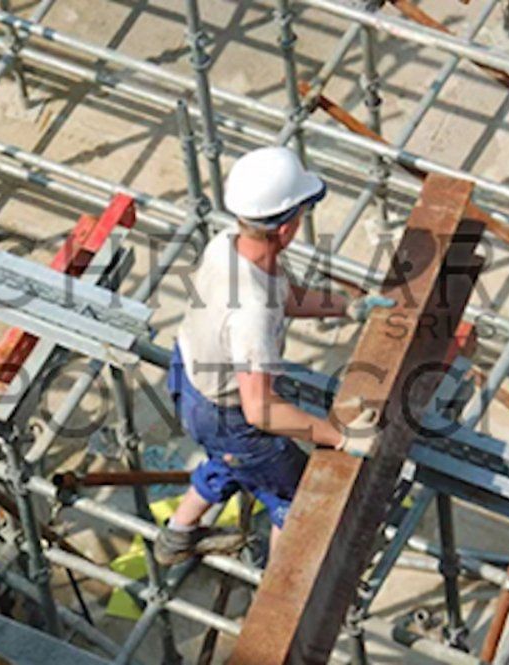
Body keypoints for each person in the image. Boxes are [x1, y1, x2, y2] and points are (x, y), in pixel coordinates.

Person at [155, 146, 394, 566]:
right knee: (294, 491)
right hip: (229, 412)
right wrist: (340, 437)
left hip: (191, 378)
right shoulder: (252, 312)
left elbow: (287, 295)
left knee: (231, 459)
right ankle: (281, 583)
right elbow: (261, 411)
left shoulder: (228, 244)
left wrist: (346, 306)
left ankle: (177, 536)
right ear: (285, 228)